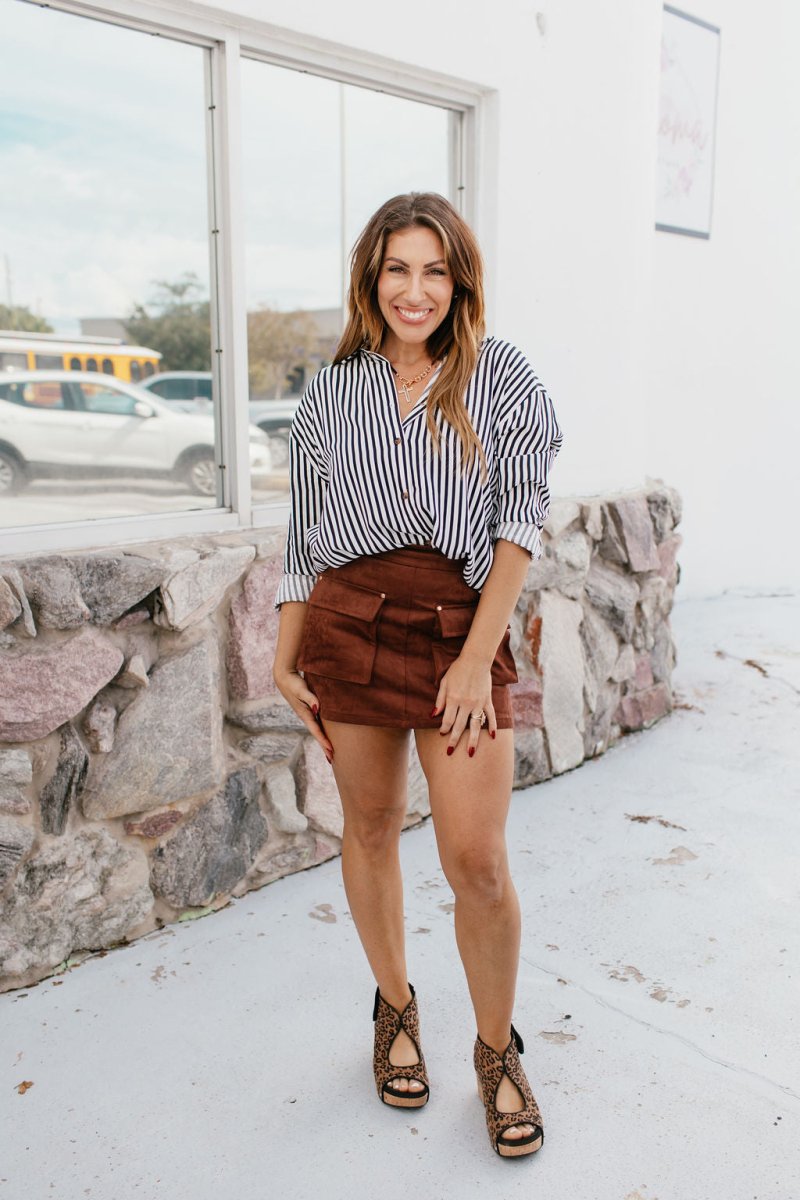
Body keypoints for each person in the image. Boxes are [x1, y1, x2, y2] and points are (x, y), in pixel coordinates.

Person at [272, 192, 563, 1159]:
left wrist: (479, 659)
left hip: (458, 632)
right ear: (371, 279)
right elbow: (305, 538)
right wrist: (285, 647)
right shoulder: (331, 392)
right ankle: (394, 1010)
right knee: (367, 828)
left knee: (475, 860)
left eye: (434, 270)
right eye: (398, 269)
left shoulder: (500, 377)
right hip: (348, 624)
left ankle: (496, 1052)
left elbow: (521, 523)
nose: (415, 289)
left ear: (459, 281)